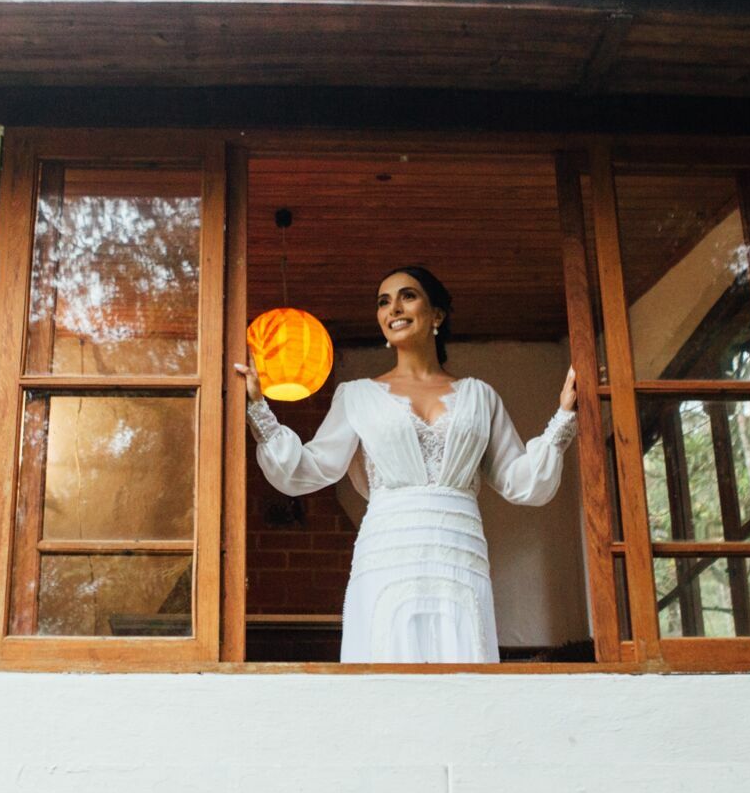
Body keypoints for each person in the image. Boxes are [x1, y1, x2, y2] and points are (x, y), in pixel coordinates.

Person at [235, 265, 578, 664]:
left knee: (464, 668)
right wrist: (258, 408)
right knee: (385, 664)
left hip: (459, 553)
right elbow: (310, 467)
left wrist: (563, 418)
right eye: (383, 301)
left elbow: (522, 481)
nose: (393, 308)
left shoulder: (480, 397)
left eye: (407, 296)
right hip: (387, 552)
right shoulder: (357, 396)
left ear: (437, 314)